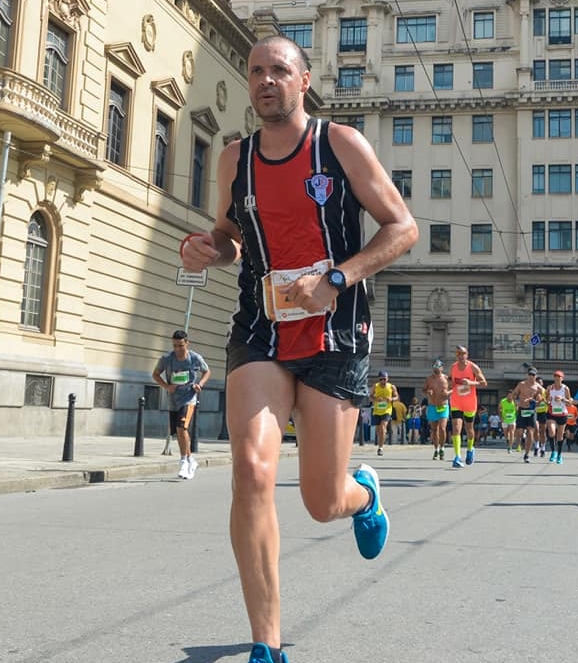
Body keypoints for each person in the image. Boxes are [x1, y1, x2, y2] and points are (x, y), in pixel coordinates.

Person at [179, 35, 418, 663]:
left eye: (278, 71)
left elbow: (403, 227)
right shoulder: (235, 160)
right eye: (256, 71)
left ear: (303, 80)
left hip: (334, 333)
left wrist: (336, 279)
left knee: (320, 501)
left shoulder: (338, 144)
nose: (265, 81)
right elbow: (232, 237)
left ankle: (361, 492)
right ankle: (267, 644)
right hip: (259, 328)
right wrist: (206, 247)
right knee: (252, 473)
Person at [152, 330, 211, 480]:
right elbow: (155, 374)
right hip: (173, 400)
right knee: (178, 432)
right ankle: (190, 460)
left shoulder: (194, 358)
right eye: (175, 346)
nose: (177, 349)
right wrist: (166, 386)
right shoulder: (167, 358)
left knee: (181, 427)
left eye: (180, 345)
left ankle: (184, 461)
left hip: (189, 398)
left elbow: (207, 371)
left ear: (187, 343)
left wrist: (200, 384)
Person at [449, 345, 488, 467]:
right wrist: (449, 384)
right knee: (456, 427)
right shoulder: (453, 367)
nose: (461, 356)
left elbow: (484, 383)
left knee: (469, 429)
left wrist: (470, 382)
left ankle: (470, 449)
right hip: (456, 401)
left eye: (463, 354)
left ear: (467, 354)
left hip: (470, 403)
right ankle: (457, 457)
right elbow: (451, 380)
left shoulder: (473, 367)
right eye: (458, 354)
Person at [510, 367, 544, 462]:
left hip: (531, 411)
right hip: (522, 409)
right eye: (530, 375)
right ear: (527, 375)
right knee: (519, 432)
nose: (531, 377)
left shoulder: (538, 387)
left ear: (536, 376)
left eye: (533, 375)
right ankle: (520, 443)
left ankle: (527, 454)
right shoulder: (522, 384)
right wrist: (516, 402)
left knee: (530, 432)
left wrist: (536, 401)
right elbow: (514, 394)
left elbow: (545, 397)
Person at [423, 359, 452, 460]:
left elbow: (454, 389)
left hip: (443, 406)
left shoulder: (447, 378)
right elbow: (424, 389)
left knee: (442, 428)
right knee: (434, 429)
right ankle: (436, 449)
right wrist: (428, 391)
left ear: (442, 368)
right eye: (435, 368)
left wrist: (448, 393)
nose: (436, 369)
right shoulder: (429, 379)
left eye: (438, 368)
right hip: (432, 406)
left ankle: (442, 448)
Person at [545, 370, 573, 464]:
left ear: (562, 378)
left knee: (560, 435)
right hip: (552, 413)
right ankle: (553, 452)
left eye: (559, 377)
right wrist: (548, 399)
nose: (557, 379)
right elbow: (547, 400)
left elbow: (569, 402)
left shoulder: (565, 389)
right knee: (552, 432)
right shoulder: (550, 387)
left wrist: (562, 399)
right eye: (555, 377)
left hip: (562, 414)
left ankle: (559, 455)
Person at [371, 370, 399, 455]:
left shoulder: (391, 387)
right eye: (381, 379)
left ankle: (380, 447)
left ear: (387, 379)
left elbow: (396, 396)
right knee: (378, 430)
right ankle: (381, 441)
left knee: (383, 427)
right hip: (377, 410)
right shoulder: (375, 386)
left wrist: (391, 399)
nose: (383, 381)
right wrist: (375, 399)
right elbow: (370, 396)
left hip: (387, 410)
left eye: (384, 379)